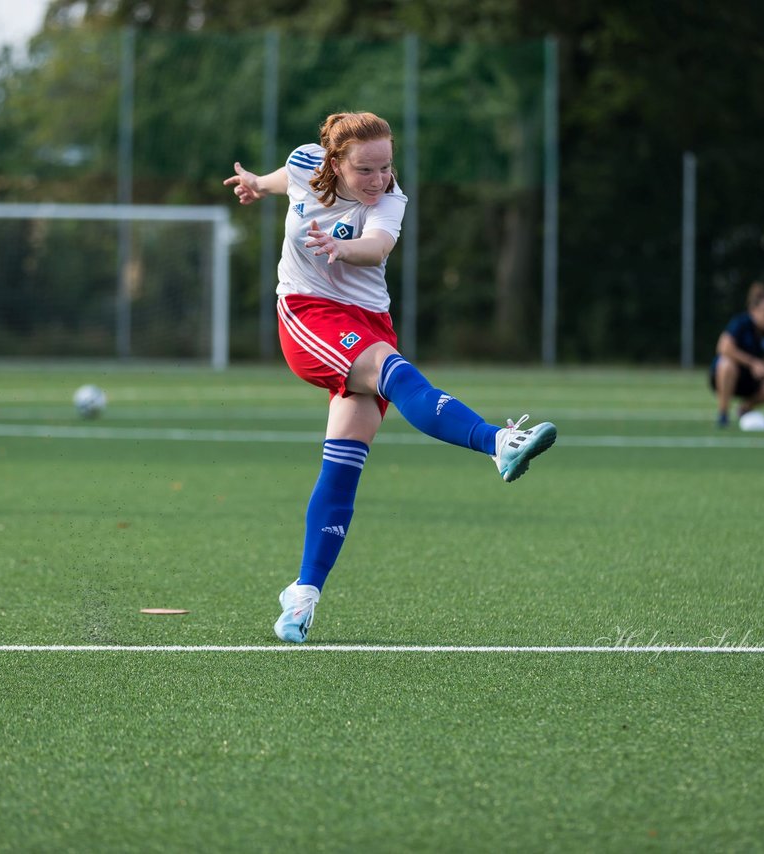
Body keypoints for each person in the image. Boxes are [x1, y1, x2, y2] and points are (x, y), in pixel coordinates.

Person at [224, 111, 558, 644]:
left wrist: (341, 247)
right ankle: (498, 442)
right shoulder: (307, 161)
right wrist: (257, 185)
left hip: (368, 322)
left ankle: (302, 597)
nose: (379, 180)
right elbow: (288, 178)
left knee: (343, 468)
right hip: (309, 315)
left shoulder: (391, 198)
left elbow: (377, 247)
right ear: (334, 162)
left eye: (386, 167)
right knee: (394, 374)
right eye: (365, 170)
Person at [710, 281, 764, 427]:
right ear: (753, 311)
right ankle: (723, 414)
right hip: (728, 376)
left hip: (751, 381)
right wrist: (752, 363)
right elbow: (723, 347)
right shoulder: (741, 324)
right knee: (726, 364)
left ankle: (744, 409)